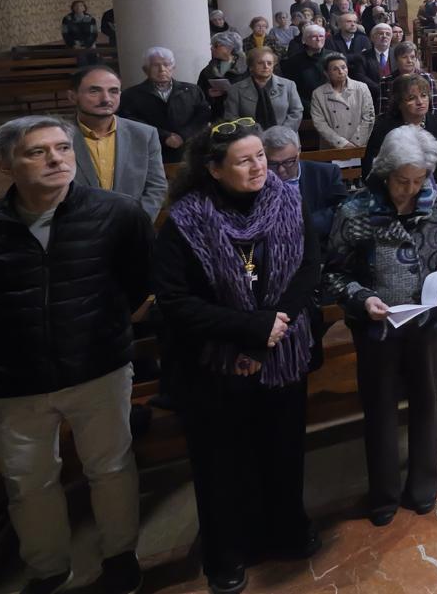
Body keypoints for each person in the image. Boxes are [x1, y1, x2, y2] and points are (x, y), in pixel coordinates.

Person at [0, 116, 150, 594]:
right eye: (37, 152)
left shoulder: (117, 214)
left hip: (98, 366)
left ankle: (120, 555)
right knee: (29, 484)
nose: (56, 159)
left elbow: (138, 280)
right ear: (5, 165)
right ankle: (49, 568)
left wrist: (102, 325)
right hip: (15, 379)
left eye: (62, 148)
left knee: (111, 467)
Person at [152, 119, 322, 593]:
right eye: (244, 160)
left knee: (283, 451)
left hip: (282, 352)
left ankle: (286, 531)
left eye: (261, 157)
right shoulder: (186, 219)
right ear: (213, 169)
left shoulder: (288, 199)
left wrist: (275, 324)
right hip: (214, 364)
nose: (258, 167)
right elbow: (175, 300)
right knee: (223, 464)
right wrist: (249, 329)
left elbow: (309, 266)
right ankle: (227, 554)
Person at [327, 127, 437, 526]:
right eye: (402, 181)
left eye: (418, 180)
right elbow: (334, 274)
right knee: (381, 409)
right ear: (385, 172)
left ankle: (424, 484)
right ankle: (384, 493)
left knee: (426, 400)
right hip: (378, 326)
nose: (410, 189)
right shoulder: (355, 212)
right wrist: (360, 297)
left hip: (425, 321)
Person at [69, 65, 167, 221]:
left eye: (113, 91)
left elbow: (156, 187)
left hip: (131, 230)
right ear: (72, 96)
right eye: (94, 91)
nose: (106, 99)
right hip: (76, 234)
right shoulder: (58, 137)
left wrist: (138, 224)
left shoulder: (145, 134)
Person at [363, 74, 437, 194]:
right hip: (395, 196)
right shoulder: (383, 129)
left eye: (424, 96)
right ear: (399, 103)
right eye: (411, 98)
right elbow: (371, 168)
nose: (420, 102)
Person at [260, 126, 346, 255]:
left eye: (289, 162)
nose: (281, 170)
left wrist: (301, 226)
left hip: (318, 250)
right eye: (273, 164)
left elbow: (342, 210)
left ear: (299, 151)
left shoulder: (326, 174)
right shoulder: (257, 180)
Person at [120, 46, 211, 164]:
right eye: (155, 65)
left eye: (167, 64)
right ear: (145, 69)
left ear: (173, 68)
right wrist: (164, 136)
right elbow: (130, 120)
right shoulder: (131, 94)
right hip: (151, 153)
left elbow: (203, 116)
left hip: (188, 151)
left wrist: (183, 136)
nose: (162, 69)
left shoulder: (192, 90)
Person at [224, 47, 305, 132]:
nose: (266, 66)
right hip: (249, 139)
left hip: (285, 138)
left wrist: (281, 133)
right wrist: (253, 134)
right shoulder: (236, 89)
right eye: (260, 63)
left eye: (269, 63)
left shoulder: (289, 85)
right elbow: (231, 117)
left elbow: (296, 112)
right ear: (251, 66)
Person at [311, 52, 376, 150]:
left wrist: (355, 142)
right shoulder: (318, 94)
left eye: (343, 67)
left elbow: (369, 116)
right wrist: (342, 143)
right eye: (335, 69)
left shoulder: (361, 88)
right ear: (326, 73)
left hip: (359, 145)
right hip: (332, 147)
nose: (341, 71)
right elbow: (319, 123)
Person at [378, 41, 437, 119]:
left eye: (412, 57)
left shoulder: (427, 78)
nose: (409, 60)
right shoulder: (386, 81)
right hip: (396, 125)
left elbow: (435, 108)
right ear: (396, 60)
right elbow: (383, 112)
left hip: (425, 124)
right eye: (404, 57)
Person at [199, 31, 248, 120]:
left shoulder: (247, 68)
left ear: (230, 47)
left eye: (216, 46)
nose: (211, 48)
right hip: (218, 115)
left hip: (242, 115)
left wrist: (231, 91)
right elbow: (199, 94)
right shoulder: (208, 70)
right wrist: (208, 94)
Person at [280, 25, 330, 109]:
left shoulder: (334, 57)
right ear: (305, 40)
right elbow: (292, 89)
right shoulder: (294, 61)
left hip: (331, 104)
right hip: (305, 106)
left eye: (321, 36)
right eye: (314, 36)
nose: (318, 39)